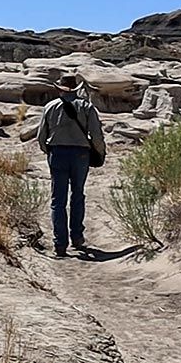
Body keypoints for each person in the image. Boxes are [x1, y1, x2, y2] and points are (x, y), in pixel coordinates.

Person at [36, 74, 106, 255]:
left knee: (58, 200)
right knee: (77, 195)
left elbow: (41, 137)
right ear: (75, 89)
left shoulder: (50, 107)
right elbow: (97, 136)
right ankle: (77, 237)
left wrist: (49, 151)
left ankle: (60, 243)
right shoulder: (86, 106)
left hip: (57, 153)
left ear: (59, 89)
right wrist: (100, 152)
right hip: (81, 154)